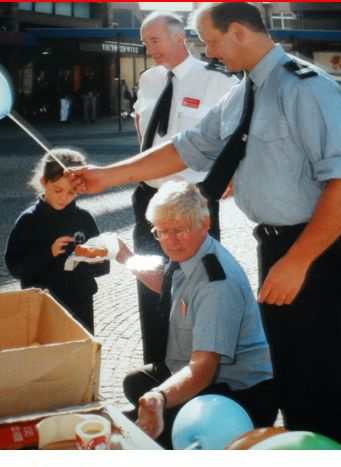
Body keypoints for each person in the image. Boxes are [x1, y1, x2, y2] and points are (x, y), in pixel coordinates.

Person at [68, 2, 341, 448]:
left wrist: (299, 260)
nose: (208, 52)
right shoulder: (244, 91)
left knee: (328, 379)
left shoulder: (307, 88)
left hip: (318, 250)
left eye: (210, 41)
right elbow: (186, 148)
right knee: (293, 374)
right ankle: (304, 462)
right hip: (277, 246)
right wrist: (106, 176)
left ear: (239, 33)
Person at [117, 181, 276, 449]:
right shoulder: (192, 252)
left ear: (205, 223)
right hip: (200, 373)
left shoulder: (216, 285)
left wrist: (161, 397)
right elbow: (166, 285)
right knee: (135, 384)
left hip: (235, 393)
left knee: (145, 438)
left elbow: (203, 370)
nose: (169, 240)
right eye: (162, 231)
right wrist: (122, 255)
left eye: (178, 230)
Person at [132, 11, 238, 366]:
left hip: (193, 198)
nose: (149, 49)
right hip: (148, 197)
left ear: (180, 38)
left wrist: (230, 174)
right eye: (145, 42)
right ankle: (156, 367)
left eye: (155, 41)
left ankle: (202, 366)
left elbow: (237, 133)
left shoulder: (217, 81)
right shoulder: (148, 80)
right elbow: (140, 121)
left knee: (201, 285)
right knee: (149, 279)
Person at [4, 149, 109, 334]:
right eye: (58, 190)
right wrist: (48, 252)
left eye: (72, 192)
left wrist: (97, 258)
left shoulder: (83, 218)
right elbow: (16, 267)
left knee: (81, 353)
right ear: (44, 182)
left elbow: (102, 267)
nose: (64, 198)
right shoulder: (29, 220)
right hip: (44, 303)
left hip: (80, 301)